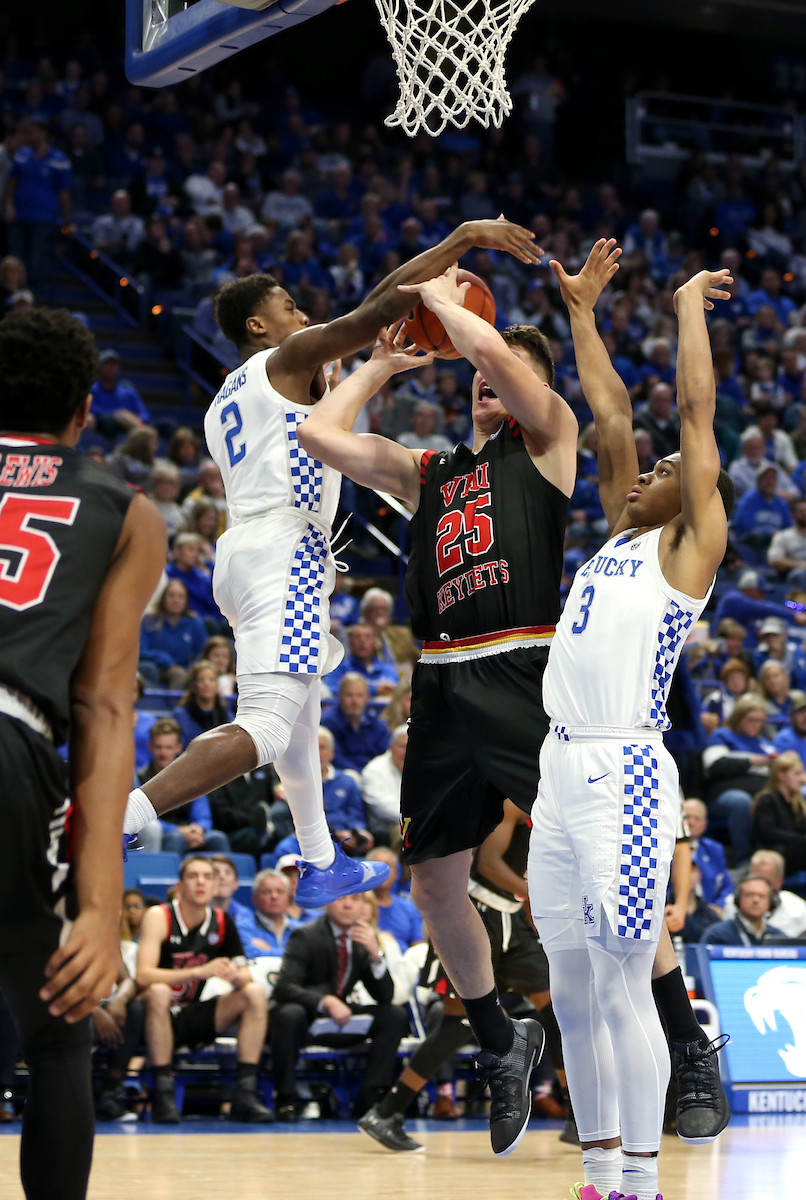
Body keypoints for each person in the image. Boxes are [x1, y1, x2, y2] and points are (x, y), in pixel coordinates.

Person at [123, 218, 539, 905]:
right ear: (258, 326)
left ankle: (319, 859)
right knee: (264, 726)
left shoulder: (235, 392)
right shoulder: (283, 361)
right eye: (288, 306)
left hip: (254, 549)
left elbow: (357, 334)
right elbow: (379, 305)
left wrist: (377, 360)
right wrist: (462, 240)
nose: (302, 313)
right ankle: (126, 818)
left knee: (299, 710)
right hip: (285, 549)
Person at [298, 274, 579, 1157]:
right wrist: (378, 365)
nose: (487, 380)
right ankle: (500, 1041)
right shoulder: (431, 474)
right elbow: (318, 434)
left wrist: (441, 298)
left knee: (590, 849)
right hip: (445, 682)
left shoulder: (546, 442)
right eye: (477, 377)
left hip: (523, 670)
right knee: (433, 884)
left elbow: (494, 350)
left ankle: (679, 1036)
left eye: (504, 372)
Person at [527, 247, 735, 1200]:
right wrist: (580, 313)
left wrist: (689, 305)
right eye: (641, 469)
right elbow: (611, 408)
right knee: (571, 984)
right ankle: (600, 1175)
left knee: (622, 978)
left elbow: (692, 415)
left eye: (658, 470)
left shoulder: (687, 549)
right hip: (557, 771)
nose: (642, 468)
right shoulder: (617, 535)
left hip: (627, 771)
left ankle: (643, 1185)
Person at [0, 307, 165, 1200]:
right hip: (11, 741)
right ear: (85, 408)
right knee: (60, 1026)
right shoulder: (122, 508)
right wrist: (100, 906)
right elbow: (103, 705)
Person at [359, 800, 574, 1153]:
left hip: (512, 920)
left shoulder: (551, 794)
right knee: (456, 1026)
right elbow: (488, 863)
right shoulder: (509, 798)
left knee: (557, 1013)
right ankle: (386, 1113)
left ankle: (575, 1116)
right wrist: (532, 892)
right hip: (478, 914)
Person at [136, 855, 273, 1123]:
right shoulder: (159, 915)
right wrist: (197, 972)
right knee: (161, 991)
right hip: (152, 1015)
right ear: (180, 885)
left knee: (254, 993)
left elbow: (244, 975)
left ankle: (244, 1093)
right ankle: (163, 1092)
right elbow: (143, 976)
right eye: (193, 876)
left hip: (191, 1014)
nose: (201, 882)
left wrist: (236, 977)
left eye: (207, 877)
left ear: (214, 887)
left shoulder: (222, 921)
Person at [270, 892, 410, 1121]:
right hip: (305, 1020)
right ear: (328, 903)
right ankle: (285, 1098)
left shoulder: (361, 938)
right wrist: (325, 1001)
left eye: (355, 899)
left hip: (338, 1022)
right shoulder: (306, 935)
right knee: (289, 1014)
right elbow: (284, 988)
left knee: (394, 1015)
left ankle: (369, 1099)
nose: (347, 904)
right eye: (341, 899)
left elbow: (385, 996)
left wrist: (376, 955)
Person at [703, 693, 777, 864]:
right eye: (751, 719)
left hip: (761, 793)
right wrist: (752, 761)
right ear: (739, 717)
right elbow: (714, 764)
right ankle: (744, 858)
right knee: (741, 801)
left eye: (760, 721)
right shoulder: (722, 735)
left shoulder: (764, 744)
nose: (756, 725)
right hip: (724, 795)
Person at [137, 718, 229, 854]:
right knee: (176, 838)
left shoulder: (192, 776)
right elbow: (142, 821)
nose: (163, 753)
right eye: (159, 747)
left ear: (179, 747)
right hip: (163, 834)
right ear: (150, 747)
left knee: (218, 838)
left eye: (169, 747)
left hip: (189, 831)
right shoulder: (139, 778)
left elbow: (203, 816)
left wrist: (198, 830)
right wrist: (178, 830)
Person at [139, 579, 208, 689]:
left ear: (186, 601)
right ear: (163, 598)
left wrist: (195, 666)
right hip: (154, 667)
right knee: (172, 673)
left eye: (181, 597)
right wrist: (160, 657)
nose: (176, 600)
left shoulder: (194, 622)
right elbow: (140, 651)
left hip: (184, 669)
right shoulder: (149, 621)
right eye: (171, 595)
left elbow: (203, 651)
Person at [722, 848, 806, 937]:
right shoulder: (732, 902)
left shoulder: (798, 908)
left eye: (767, 881)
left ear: (779, 881)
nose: (760, 885)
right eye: (756, 878)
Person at [321, 673, 390, 773]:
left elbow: (385, 755)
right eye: (349, 695)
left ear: (367, 697)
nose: (354, 701)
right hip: (341, 775)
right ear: (339, 696)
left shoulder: (377, 724)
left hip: (373, 774)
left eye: (359, 695)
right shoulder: (327, 721)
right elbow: (334, 757)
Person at [700, 875, 787, 946]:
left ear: (770, 903)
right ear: (738, 899)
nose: (756, 900)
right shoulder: (717, 935)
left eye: (762, 896)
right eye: (749, 895)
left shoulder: (779, 937)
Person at [682, 798, 733, 914]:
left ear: (704, 824)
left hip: (709, 912)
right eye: (687, 817)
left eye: (697, 819)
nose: (691, 822)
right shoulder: (666, 849)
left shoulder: (714, 849)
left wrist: (719, 905)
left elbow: (726, 886)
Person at [234, 868, 300, 956]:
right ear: (254, 899)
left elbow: (309, 956)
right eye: (267, 892)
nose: (274, 896)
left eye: (280, 892)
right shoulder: (242, 928)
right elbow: (250, 953)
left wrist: (269, 950)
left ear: (288, 898)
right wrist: (292, 953)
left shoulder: (299, 929)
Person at [324, 622, 400, 697]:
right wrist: (375, 690)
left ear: (375, 642)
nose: (362, 641)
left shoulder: (388, 671)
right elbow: (329, 691)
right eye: (357, 637)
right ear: (350, 642)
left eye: (367, 637)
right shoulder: (337, 669)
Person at [360, 725, 408, 840]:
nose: (408, 751)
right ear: (391, 747)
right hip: (387, 827)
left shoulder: (425, 768)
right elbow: (382, 807)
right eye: (403, 746)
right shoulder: (374, 770)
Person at [88, 349, 150, 438]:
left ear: (118, 367)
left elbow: (144, 414)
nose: (110, 368)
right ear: (100, 367)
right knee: (108, 421)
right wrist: (118, 415)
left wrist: (134, 420)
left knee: (166, 425)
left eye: (113, 364)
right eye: (107, 364)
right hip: (103, 427)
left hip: (130, 426)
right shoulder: (92, 391)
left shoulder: (129, 392)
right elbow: (91, 410)